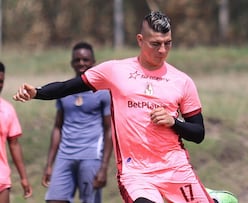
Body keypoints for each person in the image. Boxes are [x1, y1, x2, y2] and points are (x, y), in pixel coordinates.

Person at [13, 11, 214, 203]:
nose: (162, 50)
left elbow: (198, 134)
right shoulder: (115, 70)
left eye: (167, 43)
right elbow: (68, 87)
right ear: (140, 40)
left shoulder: (182, 81)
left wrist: (173, 122)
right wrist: (37, 92)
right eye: (155, 44)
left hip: (176, 169)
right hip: (136, 173)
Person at [41, 42, 113, 203]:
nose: (81, 63)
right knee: (54, 200)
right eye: (77, 60)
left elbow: (110, 130)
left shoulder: (103, 92)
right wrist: (49, 164)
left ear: (93, 62)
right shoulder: (64, 91)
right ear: (72, 63)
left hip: (91, 156)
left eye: (85, 60)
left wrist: (104, 167)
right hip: (65, 155)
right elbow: (57, 127)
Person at [0, 62, 32, 203]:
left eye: (1, 81)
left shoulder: (7, 110)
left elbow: (14, 144)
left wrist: (24, 178)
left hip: (1, 178)